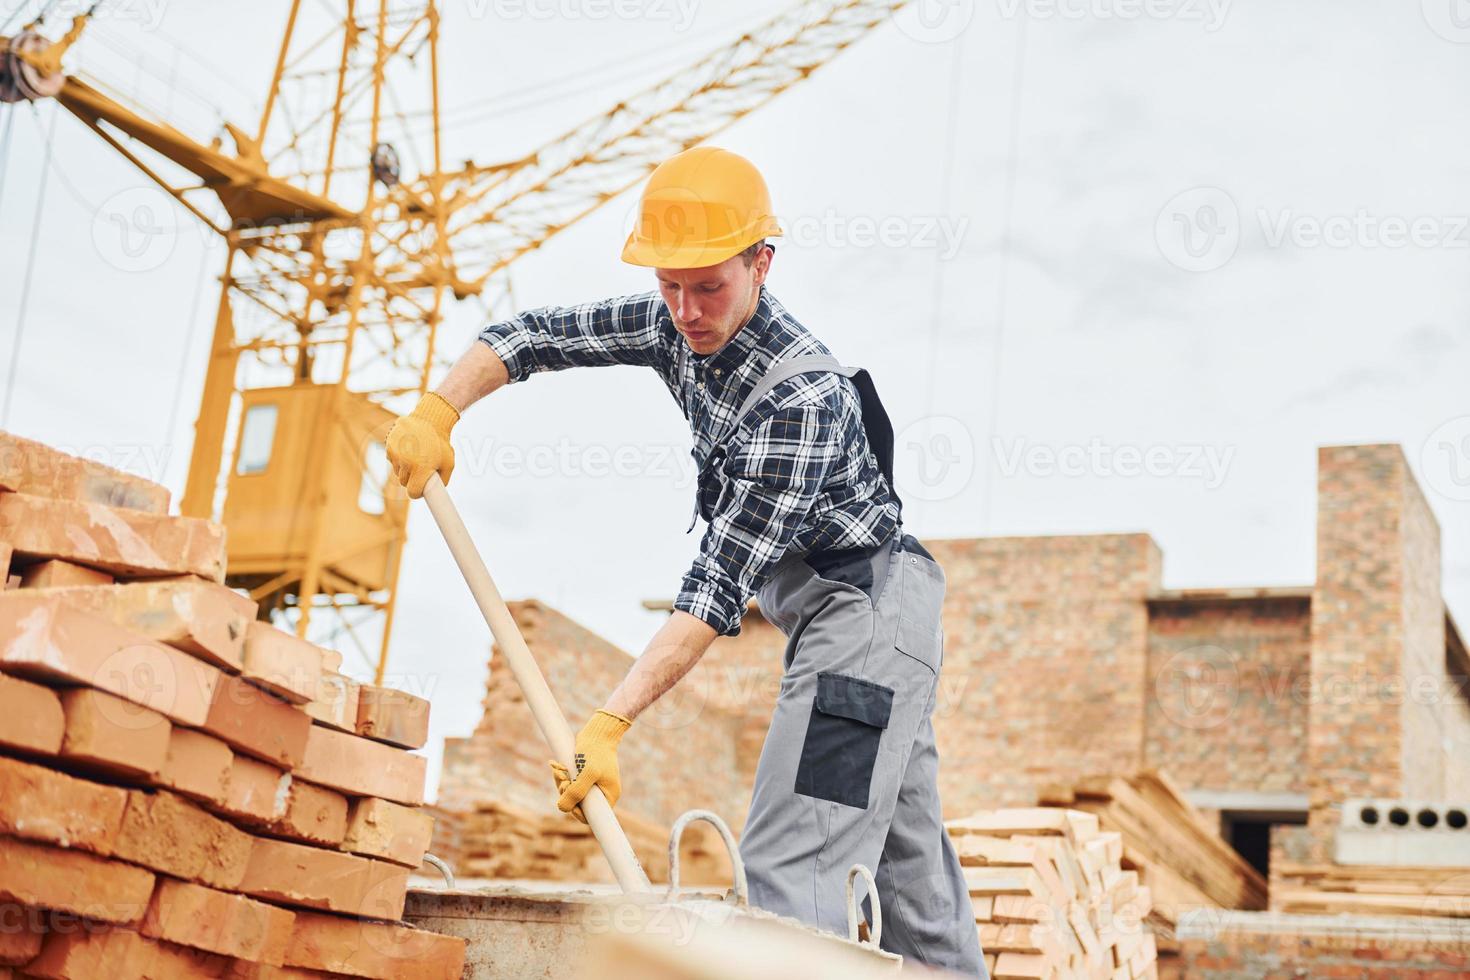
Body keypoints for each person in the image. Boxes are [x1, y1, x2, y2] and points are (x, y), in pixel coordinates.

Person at [385, 145, 985, 976]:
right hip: (859, 622)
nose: (687, 309)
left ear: (760, 264)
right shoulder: (673, 322)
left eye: (709, 286)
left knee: (794, 865)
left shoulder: (799, 405)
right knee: (910, 882)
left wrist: (611, 722)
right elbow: (528, 337)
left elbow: (715, 590)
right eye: (670, 284)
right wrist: (437, 409)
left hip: (866, 621)